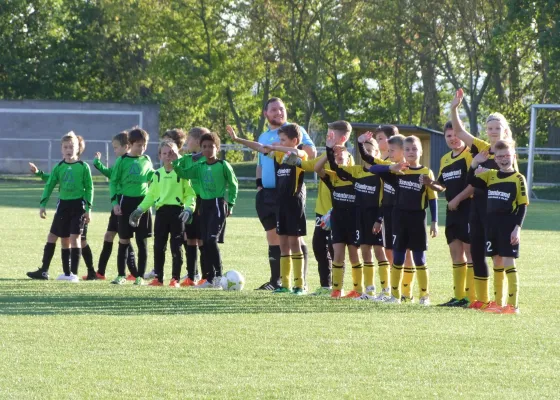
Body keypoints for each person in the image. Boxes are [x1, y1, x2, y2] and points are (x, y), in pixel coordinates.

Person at [451, 88, 517, 309]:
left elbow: (515, 182)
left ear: (504, 130)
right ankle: (482, 300)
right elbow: (460, 132)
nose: (493, 131)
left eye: (497, 128)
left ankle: (501, 302)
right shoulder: (481, 147)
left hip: (499, 211)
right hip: (477, 209)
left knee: (498, 256)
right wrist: (454, 108)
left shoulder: (508, 152)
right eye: (490, 128)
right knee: (477, 251)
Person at [227, 123, 308, 294]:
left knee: (295, 244)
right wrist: (237, 139)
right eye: (279, 139)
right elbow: (259, 147)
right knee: (283, 244)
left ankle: (300, 285)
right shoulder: (278, 156)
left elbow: (298, 152)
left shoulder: (301, 155)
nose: (279, 142)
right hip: (281, 205)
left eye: (283, 140)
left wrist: (274, 147)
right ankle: (285, 285)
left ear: (294, 140)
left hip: (294, 205)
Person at [254, 97, 316, 290]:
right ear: (266, 114)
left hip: (291, 190)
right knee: (273, 236)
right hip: (268, 193)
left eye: (281, 109)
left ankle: (300, 282)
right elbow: (260, 163)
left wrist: (281, 147)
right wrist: (259, 185)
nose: (278, 112)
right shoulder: (263, 136)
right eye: (273, 110)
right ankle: (276, 281)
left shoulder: (294, 130)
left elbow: (309, 152)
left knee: (294, 236)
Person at [369, 136, 438, 305]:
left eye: (414, 149)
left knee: (419, 258)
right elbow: (373, 169)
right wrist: (392, 166)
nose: (411, 152)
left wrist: (435, 222)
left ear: (421, 151)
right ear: (403, 152)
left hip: (418, 219)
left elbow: (433, 198)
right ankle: (395, 296)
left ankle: (424, 296)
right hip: (399, 219)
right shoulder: (399, 171)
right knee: (398, 257)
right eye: (407, 149)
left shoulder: (426, 172)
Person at [468, 140, 528, 314]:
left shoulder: (518, 178)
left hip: (508, 226)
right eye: (500, 156)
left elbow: (523, 205)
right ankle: (498, 303)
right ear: (496, 159)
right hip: (491, 227)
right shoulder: (491, 175)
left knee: (509, 262)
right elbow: (470, 180)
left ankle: (512, 305)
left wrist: (517, 228)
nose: (503, 159)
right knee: (496, 261)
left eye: (507, 156)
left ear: (513, 156)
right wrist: (474, 163)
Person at [326, 132, 388, 300]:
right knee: (366, 252)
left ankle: (386, 290)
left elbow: (385, 199)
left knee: (379, 252)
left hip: (376, 217)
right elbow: (335, 167)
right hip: (360, 218)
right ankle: (369, 291)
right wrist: (329, 147)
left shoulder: (381, 173)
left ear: (376, 154)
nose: (367, 153)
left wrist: (379, 219)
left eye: (370, 150)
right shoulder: (356, 172)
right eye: (364, 150)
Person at [172, 132, 238, 288]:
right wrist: (177, 161)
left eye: (211, 146)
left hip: (217, 205)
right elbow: (182, 173)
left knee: (211, 240)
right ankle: (209, 278)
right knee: (205, 242)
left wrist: (231, 204)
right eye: (204, 147)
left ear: (217, 148)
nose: (208, 150)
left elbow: (234, 184)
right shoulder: (199, 167)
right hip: (204, 207)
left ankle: (219, 276)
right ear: (201, 149)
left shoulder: (223, 165)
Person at [420, 121, 475, 307]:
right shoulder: (445, 159)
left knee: (470, 253)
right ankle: (459, 297)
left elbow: (473, 184)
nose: (453, 139)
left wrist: (458, 199)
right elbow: (442, 186)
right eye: (448, 136)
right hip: (452, 212)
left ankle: (472, 298)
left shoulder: (470, 154)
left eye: (456, 134)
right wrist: (430, 182)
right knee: (455, 252)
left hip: (469, 209)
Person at [27, 135, 97, 280]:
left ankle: (74, 274)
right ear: (61, 149)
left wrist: (88, 210)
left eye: (71, 147)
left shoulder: (83, 167)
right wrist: (42, 205)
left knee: (75, 238)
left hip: (78, 206)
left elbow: (90, 188)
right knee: (55, 237)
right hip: (63, 206)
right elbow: (50, 184)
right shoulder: (59, 167)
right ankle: (47, 271)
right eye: (65, 147)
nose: (68, 150)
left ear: (78, 149)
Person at [357, 133, 416, 301]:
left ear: (403, 151)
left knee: (407, 253)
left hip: (405, 214)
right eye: (388, 150)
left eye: (392, 150)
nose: (389, 153)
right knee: (390, 252)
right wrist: (391, 167)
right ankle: (392, 291)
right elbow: (371, 165)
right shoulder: (388, 166)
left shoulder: (411, 169)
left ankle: (407, 292)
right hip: (389, 214)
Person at [130, 141, 197, 288]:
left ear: (176, 154)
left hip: (177, 213)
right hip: (161, 213)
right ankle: (158, 278)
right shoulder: (157, 175)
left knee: (176, 246)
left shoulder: (182, 173)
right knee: (159, 246)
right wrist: (140, 210)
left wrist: (188, 209)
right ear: (160, 155)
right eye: (164, 153)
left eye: (171, 153)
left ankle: (175, 279)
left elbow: (190, 195)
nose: (168, 156)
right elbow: (151, 195)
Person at [109, 127, 154, 285]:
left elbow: (151, 178)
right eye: (139, 145)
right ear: (130, 144)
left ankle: (140, 276)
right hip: (125, 203)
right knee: (123, 241)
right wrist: (115, 203)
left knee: (142, 243)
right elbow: (113, 183)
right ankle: (121, 275)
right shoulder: (122, 161)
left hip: (142, 205)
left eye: (144, 145)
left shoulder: (147, 160)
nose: (142, 148)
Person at [92, 131, 139, 280]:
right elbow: (111, 174)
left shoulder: (128, 161)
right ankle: (100, 272)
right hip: (117, 202)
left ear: (127, 146)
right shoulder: (120, 162)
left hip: (122, 202)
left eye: (116, 147)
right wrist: (98, 165)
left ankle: (134, 272)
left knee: (124, 237)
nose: (114, 150)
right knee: (109, 235)